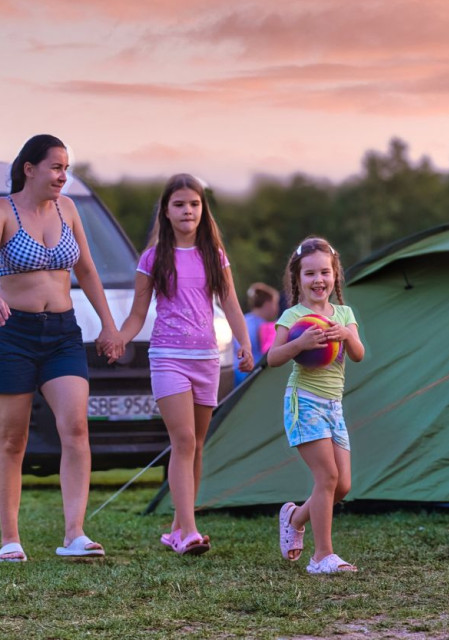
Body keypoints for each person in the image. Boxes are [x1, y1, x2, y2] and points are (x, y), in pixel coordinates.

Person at [0, 134, 123, 562]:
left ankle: (75, 534)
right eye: (55, 167)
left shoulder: (68, 209)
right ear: (30, 168)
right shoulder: (3, 211)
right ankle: (9, 538)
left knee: (76, 428)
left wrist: (109, 325)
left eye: (66, 168)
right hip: (12, 334)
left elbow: (86, 269)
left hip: (63, 334)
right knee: (12, 439)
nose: (63, 176)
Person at [118, 173, 253, 556]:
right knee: (183, 440)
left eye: (194, 204)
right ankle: (188, 532)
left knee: (195, 446)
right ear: (166, 210)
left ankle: (179, 525)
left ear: (202, 209)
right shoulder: (153, 258)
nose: (187, 210)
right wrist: (118, 339)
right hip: (168, 359)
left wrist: (244, 343)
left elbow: (230, 304)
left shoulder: (214, 255)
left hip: (206, 359)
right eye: (179, 204)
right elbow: (136, 316)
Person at [268, 236, 365, 575]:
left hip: (333, 406)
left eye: (325, 272)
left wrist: (347, 335)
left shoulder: (344, 314)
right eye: (310, 274)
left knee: (342, 485)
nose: (318, 280)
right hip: (303, 402)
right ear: (298, 279)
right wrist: (300, 343)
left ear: (335, 276)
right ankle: (322, 556)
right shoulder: (292, 316)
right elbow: (273, 357)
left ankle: (294, 518)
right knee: (327, 476)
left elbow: (358, 353)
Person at [233, 282, 280, 386]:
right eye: (275, 303)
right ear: (268, 304)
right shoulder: (266, 327)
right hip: (255, 377)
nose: (277, 308)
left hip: (237, 375)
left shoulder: (243, 321)